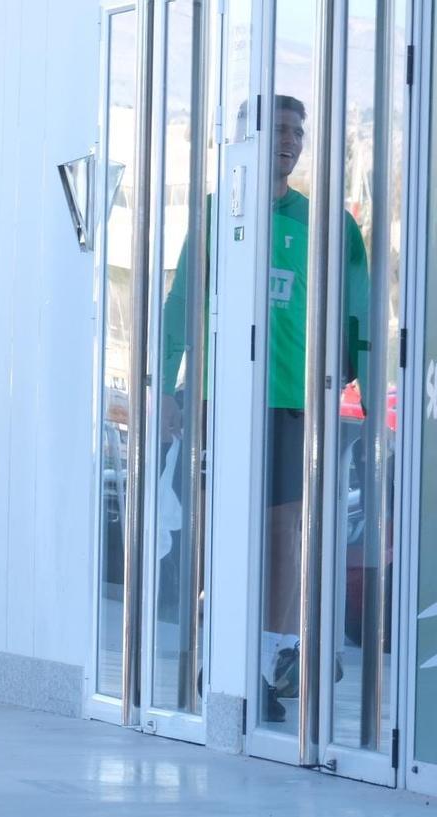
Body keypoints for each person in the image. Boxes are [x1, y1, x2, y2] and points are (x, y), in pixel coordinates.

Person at [161, 94, 368, 722]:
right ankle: (214, 648)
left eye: (298, 131)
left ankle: (273, 657)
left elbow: (354, 306)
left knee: (284, 534)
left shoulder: (328, 223)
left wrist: (348, 381)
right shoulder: (215, 213)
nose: (290, 140)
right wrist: (172, 387)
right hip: (220, 399)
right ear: (250, 140)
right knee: (217, 531)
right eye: (278, 128)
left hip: (293, 402)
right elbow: (183, 300)